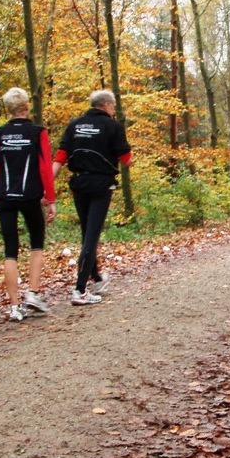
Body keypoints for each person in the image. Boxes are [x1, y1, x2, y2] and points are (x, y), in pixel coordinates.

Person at [53, 89, 132, 305]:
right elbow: (126, 159)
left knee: (87, 232)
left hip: (79, 183)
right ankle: (79, 290)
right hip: (101, 184)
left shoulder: (74, 124)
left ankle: (96, 278)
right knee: (92, 235)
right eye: (113, 105)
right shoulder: (112, 126)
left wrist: (47, 186)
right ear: (106, 105)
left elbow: (60, 157)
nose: (114, 109)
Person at [0, 87, 56, 321]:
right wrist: (51, 199)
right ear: (27, 107)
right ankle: (33, 294)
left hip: (5, 195)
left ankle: (15, 307)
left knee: (10, 251)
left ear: (8, 109)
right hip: (29, 196)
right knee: (36, 244)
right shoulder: (38, 132)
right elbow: (45, 167)